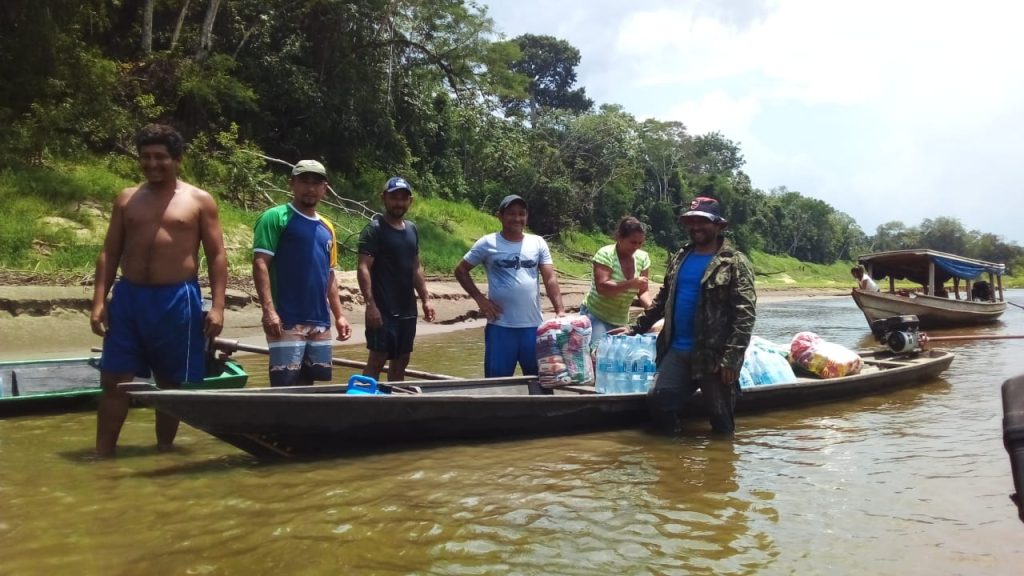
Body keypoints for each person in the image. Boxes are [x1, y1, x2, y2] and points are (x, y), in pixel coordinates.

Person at [90, 124, 228, 457]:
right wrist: (98, 302)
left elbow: (216, 255)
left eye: (160, 157)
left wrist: (218, 307)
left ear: (177, 160)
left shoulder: (199, 200)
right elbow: (109, 252)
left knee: (169, 383)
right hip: (129, 299)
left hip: (177, 300)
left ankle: (163, 452)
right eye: (146, 157)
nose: (152, 164)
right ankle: (102, 456)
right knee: (114, 381)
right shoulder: (127, 198)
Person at [619, 196, 756, 435]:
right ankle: (674, 451)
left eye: (702, 221)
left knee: (721, 423)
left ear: (718, 225)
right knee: (658, 401)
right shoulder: (680, 257)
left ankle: (719, 459)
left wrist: (733, 357)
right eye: (691, 221)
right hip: (677, 350)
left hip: (714, 357)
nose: (695, 227)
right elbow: (662, 300)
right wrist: (635, 328)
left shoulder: (734, 262)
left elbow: (745, 312)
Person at [252, 159, 352, 388]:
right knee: (284, 384)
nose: (310, 188)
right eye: (304, 181)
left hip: (319, 320)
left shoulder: (327, 227)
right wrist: (269, 311)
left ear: (325, 188)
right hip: (286, 319)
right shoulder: (275, 217)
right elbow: (260, 264)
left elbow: (329, 275)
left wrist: (339, 316)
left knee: (309, 384)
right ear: (292, 184)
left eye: (316, 183)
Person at [454, 194, 565, 387]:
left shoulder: (538, 243)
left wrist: (560, 311)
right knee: (496, 385)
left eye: (522, 214)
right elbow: (461, 271)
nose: (517, 218)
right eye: (511, 213)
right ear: (500, 216)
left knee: (541, 384)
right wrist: (481, 300)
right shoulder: (487, 243)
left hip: (533, 328)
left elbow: (550, 278)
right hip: (500, 327)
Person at [357, 176, 435, 381]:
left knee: (402, 360)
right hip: (382, 309)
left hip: (407, 309)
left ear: (410, 201)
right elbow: (363, 267)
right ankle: (363, 398)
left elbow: (415, 267)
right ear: (383, 198)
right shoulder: (374, 229)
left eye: (403, 198)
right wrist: (370, 305)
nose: (399, 203)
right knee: (377, 359)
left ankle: (394, 397)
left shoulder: (412, 229)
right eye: (394, 198)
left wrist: (426, 299)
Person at [579, 216, 653, 347]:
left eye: (640, 243)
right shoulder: (606, 254)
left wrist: (653, 310)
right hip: (596, 315)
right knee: (597, 352)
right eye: (633, 242)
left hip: (620, 320)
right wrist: (631, 283)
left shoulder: (643, 258)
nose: (636, 247)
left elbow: (643, 291)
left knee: (615, 355)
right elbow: (602, 288)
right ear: (620, 237)